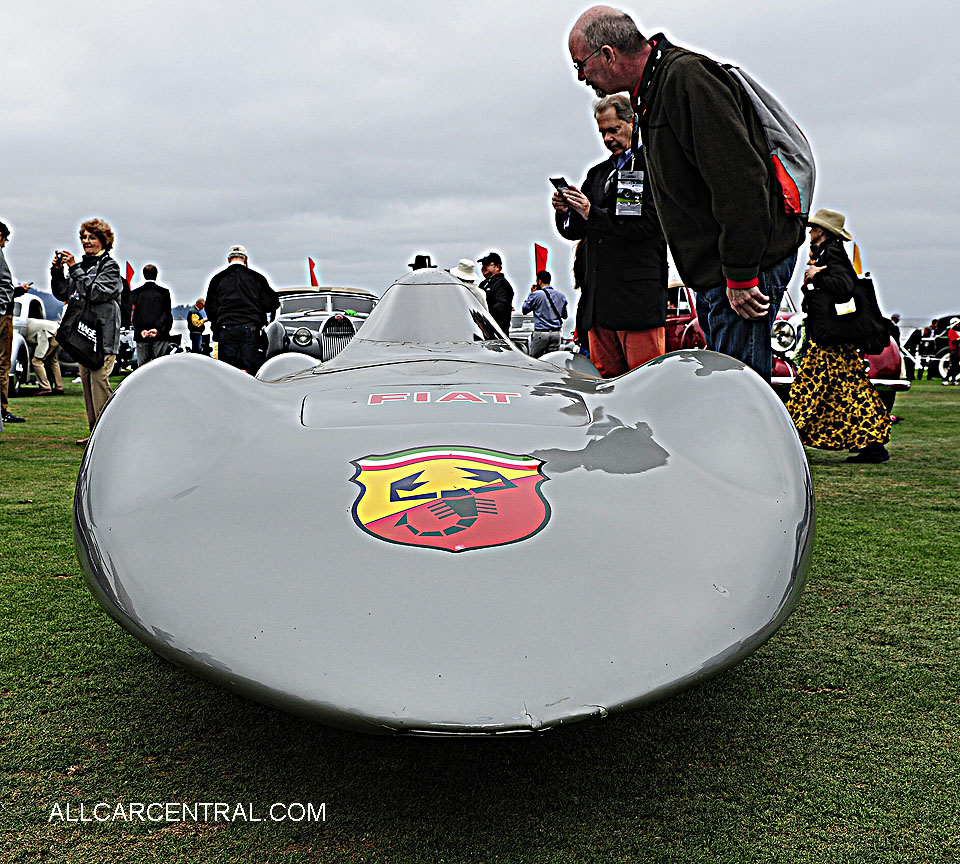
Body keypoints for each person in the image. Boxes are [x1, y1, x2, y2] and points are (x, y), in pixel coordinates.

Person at [567, 7, 803, 381]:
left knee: (736, 395)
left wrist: (741, 275)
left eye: (581, 64)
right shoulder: (654, 92)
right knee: (727, 391)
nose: (581, 76)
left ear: (608, 54)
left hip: (739, 273)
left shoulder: (686, 79)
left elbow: (740, 180)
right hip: (717, 275)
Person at [553, 92, 667, 375]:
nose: (607, 139)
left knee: (644, 384)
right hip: (598, 306)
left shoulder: (651, 166)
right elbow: (579, 231)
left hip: (635, 304)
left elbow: (643, 226)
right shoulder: (597, 174)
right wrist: (567, 211)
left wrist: (593, 213)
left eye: (613, 130)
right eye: (603, 132)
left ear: (633, 123)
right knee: (604, 389)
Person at [786, 209, 891, 463]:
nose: (810, 232)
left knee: (809, 387)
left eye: (813, 229)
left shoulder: (831, 252)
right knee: (850, 389)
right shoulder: (828, 252)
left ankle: (786, 439)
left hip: (829, 338)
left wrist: (817, 275)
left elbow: (845, 285)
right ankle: (872, 442)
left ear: (822, 232)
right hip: (831, 336)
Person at [51, 218, 123, 445]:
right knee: (86, 383)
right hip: (84, 336)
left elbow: (96, 293)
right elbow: (64, 292)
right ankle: (95, 436)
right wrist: (57, 271)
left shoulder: (110, 267)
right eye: (84, 237)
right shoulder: (81, 267)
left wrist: (74, 269)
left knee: (100, 382)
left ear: (103, 240)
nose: (86, 241)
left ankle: (108, 437)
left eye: (91, 237)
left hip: (103, 336)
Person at [205, 245, 278, 374]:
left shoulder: (217, 280)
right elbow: (272, 303)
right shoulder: (256, 278)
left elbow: (210, 309)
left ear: (229, 260)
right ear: (246, 259)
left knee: (227, 371)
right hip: (250, 329)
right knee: (251, 372)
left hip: (226, 329)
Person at [0, 220, 31, 424]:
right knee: (3, 363)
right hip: (3, 315)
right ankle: (2, 409)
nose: (4, 245)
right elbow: (3, 284)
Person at [131, 264, 173, 366]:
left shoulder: (135, 293)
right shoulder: (164, 293)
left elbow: (134, 315)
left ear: (144, 275)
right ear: (156, 275)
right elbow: (166, 313)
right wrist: (157, 328)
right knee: (160, 366)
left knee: (142, 368)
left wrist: (141, 330)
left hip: (142, 335)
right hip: (160, 335)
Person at [521, 271, 569, 357]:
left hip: (541, 333)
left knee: (534, 359)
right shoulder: (561, 296)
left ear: (539, 281)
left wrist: (531, 293)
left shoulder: (536, 295)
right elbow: (565, 315)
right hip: (556, 333)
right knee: (552, 360)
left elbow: (525, 309)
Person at [477, 252, 514, 334]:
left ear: (497, 267)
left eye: (487, 264)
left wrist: (484, 316)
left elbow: (500, 307)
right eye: (482, 264)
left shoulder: (502, 284)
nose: (484, 267)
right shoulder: (483, 284)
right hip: (484, 331)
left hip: (497, 332)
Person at [25, 318, 63, 395]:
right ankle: (59, 386)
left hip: (49, 334)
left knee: (36, 361)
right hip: (59, 332)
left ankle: (45, 387)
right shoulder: (28, 321)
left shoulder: (19, 324)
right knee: (53, 360)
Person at [944, 317, 960, 385]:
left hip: (958, 351)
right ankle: (946, 379)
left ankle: (953, 379)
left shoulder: (957, 332)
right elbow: (954, 342)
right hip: (954, 351)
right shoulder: (951, 331)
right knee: (953, 366)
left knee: (956, 367)